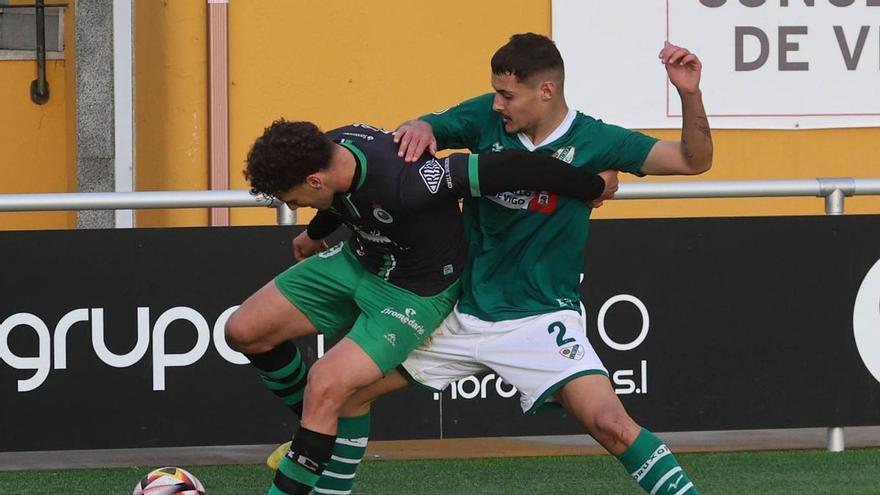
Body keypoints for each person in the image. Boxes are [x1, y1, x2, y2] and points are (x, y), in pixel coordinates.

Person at [274, 33, 713, 495]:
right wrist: (421, 126)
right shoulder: (484, 116)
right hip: (459, 309)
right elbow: (414, 139)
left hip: (539, 318)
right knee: (338, 395)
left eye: (507, 95)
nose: (498, 104)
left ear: (546, 91)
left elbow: (692, 160)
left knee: (611, 424)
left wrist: (689, 93)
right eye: (496, 93)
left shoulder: (598, 141)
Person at [226, 119, 619, 495]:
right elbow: (335, 198)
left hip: (413, 292)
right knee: (243, 330)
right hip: (359, 260)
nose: (293, 206)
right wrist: (315, 233)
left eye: (294, 200)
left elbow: (514, 166)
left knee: (326, 384)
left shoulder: (412, 182)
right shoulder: (329, 149)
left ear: (314, 181)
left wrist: (589, 186)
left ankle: (308, 446)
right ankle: (311, 436)